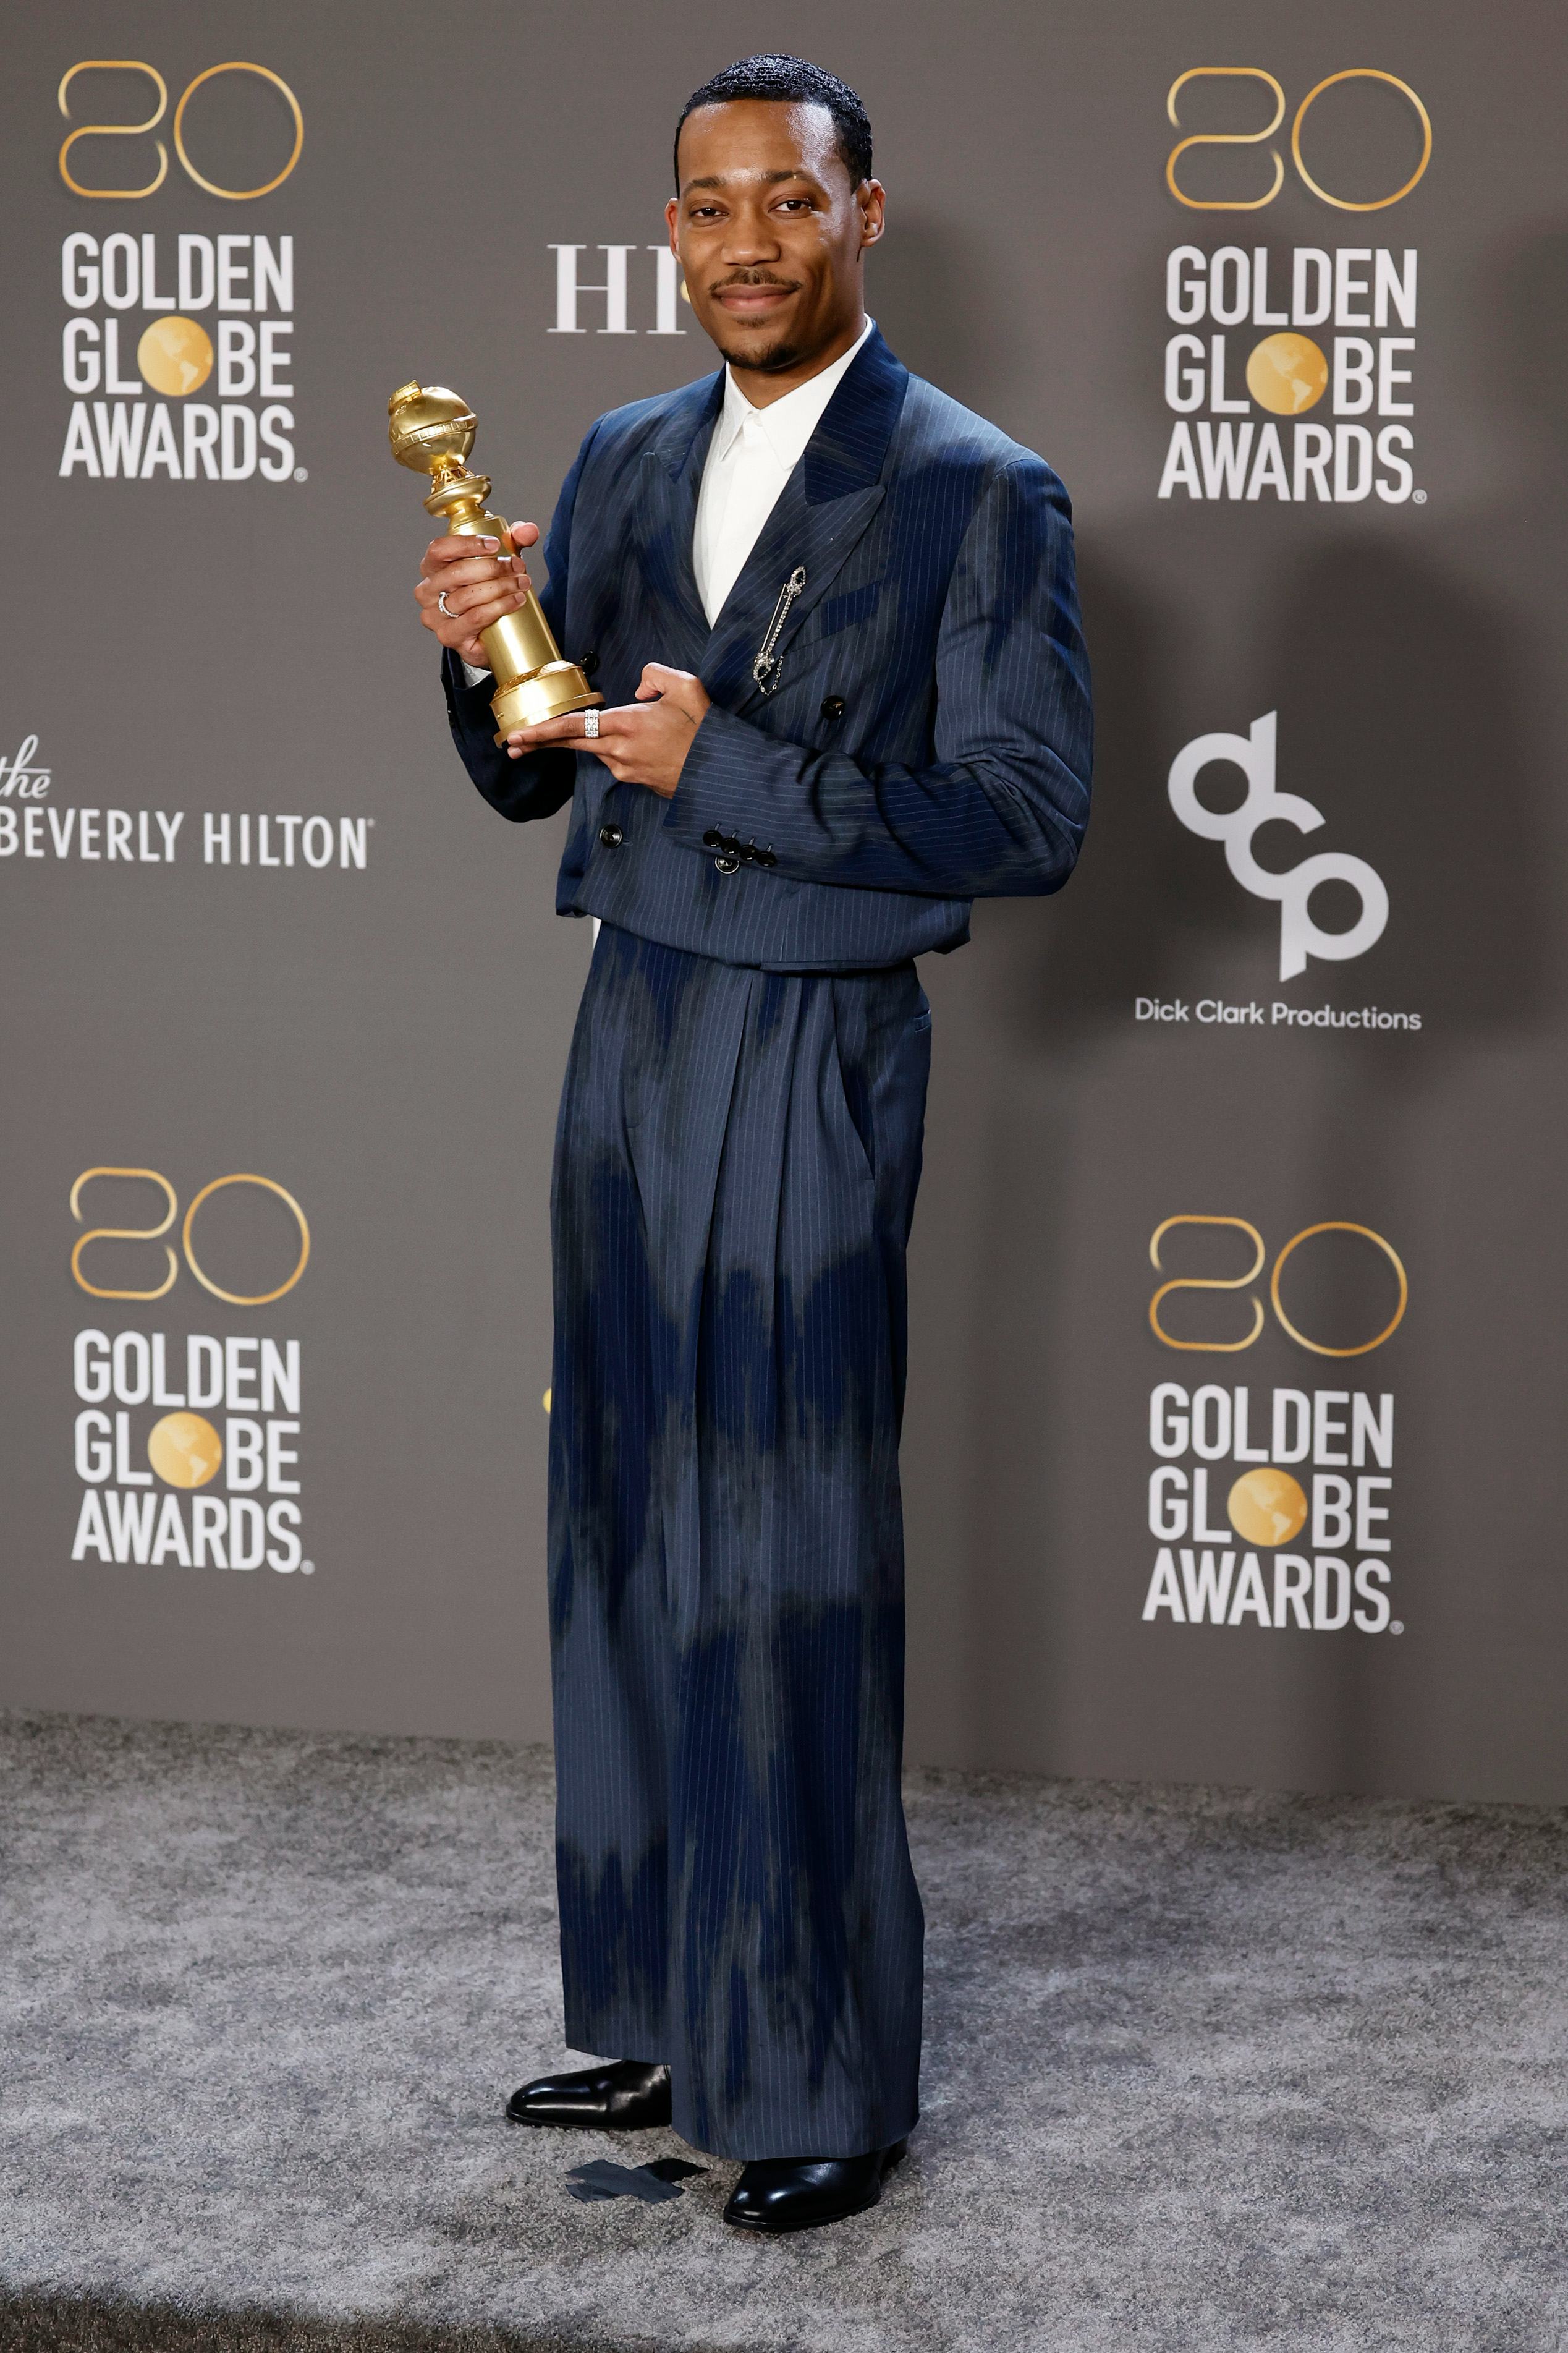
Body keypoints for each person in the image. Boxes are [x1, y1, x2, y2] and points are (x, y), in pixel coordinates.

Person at [414, 53, 1092, 2234]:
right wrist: (474, 667)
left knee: (782, 1555)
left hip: (807, 1044)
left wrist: (744, 770)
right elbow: (545, 776)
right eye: (704, 211)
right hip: (627, 1025)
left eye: (785, 205)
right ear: (671, 232)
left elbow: (1029, 819)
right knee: (619, 1516)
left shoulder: (978, 488)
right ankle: (656, 2003)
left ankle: (817, 2069)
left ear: (862, 219)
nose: (742, 248)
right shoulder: (617, 456)